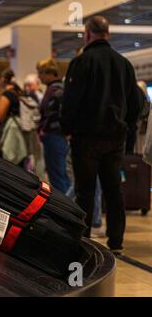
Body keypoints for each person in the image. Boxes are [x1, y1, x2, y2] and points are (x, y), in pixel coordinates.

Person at [60, 16, 142, 254]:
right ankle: (116, 241)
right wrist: (126, 129)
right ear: (108, 34)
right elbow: (136, 103)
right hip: (115, 138)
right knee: (113, 189)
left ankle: (83, 240)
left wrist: (67, 129)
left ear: (87, 34)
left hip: (86, 138)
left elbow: (71, 100)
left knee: (85, 190)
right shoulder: (124, 64)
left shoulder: (82, 62)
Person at [36, 58, 70, 194]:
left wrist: (44, 129)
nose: (39, 76)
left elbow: (53, 115)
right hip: (57, 137)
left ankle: (64, 209)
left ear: (49, 73)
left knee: (57, 176)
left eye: (40, 73)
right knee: (61, 174)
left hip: (54, 137)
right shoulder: (57, 88)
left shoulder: (54, 90)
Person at [0, 68, 29, 166]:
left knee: (10, 160)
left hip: (12, 129)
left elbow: (0, 116)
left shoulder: (7, 94)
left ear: (2, 79)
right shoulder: (19, 92)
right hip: (21, 126)